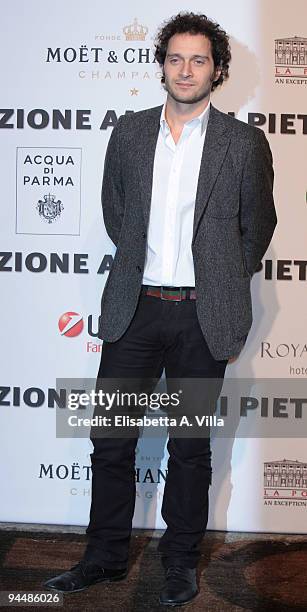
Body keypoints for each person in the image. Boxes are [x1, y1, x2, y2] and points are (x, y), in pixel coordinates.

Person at [44, 11, 277, 606]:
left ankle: (178, 564)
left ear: (217, 70)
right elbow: (115, 213)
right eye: (175, 58)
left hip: (204, 316)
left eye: (199, 59)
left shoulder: (245, 144)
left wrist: (223, 279)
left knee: (191, 448)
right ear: (162, 66)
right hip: (135, 310)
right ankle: (103, 559)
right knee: (112, 442)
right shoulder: (128, 133)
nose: (186, 69)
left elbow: (258, 229)